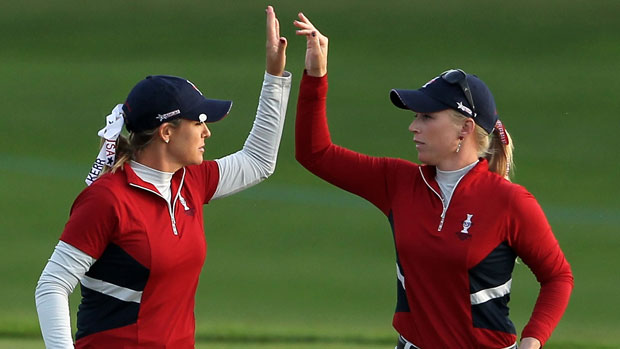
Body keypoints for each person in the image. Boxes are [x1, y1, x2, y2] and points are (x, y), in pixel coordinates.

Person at [293, 12, 573, 349]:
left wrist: (533, 340)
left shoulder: (509, 202)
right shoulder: (397, 182)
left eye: (427, 117)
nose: (414, 127)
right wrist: (316, 75)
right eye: (415, 116)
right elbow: (315, 153)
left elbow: (558, 277)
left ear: (464, 128)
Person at [34, 6, 291, 348]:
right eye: (199, 122)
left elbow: (258, 161)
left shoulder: (191, 181)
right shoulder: (108, 199)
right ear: (167, 132)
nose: (207, 133)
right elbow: (52, 284)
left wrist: (274, 77)